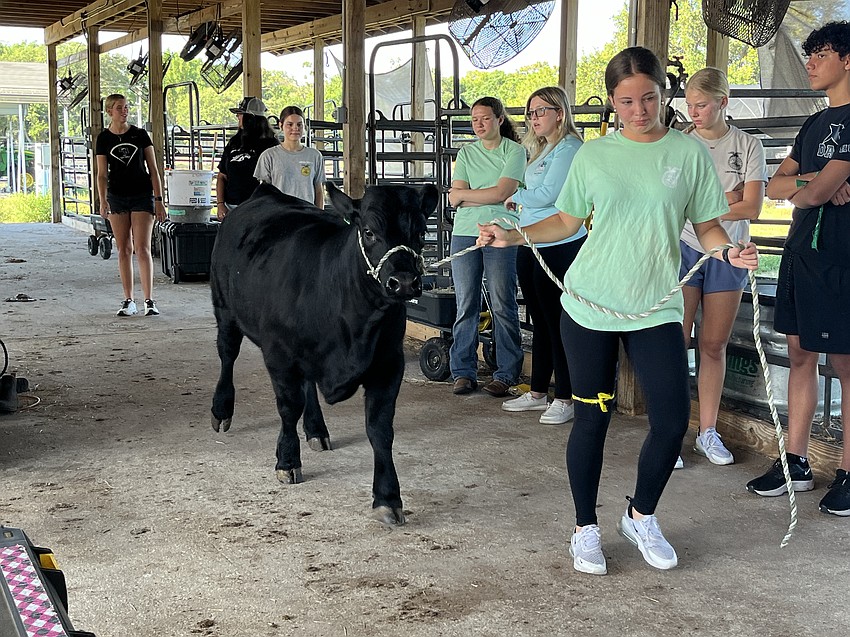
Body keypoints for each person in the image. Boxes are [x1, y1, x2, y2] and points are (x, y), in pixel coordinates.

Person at [478, 47, 758, 574]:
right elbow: (567, 220)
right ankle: (585, 528)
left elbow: (707, 225)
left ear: (661, 94)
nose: (639, 110)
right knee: (592, 418)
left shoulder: (687, 153)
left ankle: (640, 513)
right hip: (589, 305)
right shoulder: (595, 155)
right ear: (612, 103)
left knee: (673, 420)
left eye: (648, 97)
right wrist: (512, 235)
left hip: (654, 307)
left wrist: (726, 250)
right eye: (626, 101)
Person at [747, 21, 850, 517]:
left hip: (844, 255)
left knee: (848, 365)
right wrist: (814, 177)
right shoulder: (814, 124)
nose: (809, 62)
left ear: (847, 59)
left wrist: (809, 184)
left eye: (821, 53)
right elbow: (776, 186)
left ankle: (849, 472)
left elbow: (807, 194)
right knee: (800, 352)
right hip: (802, 253)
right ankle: (796, 461)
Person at [676, 68, 768, 467]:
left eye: (702, 104)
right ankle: (671, 431)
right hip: (683, 246)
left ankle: (707, 431)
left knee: (713, 344)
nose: (694, 112)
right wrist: (725, 196)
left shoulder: (748, 145)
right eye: (690, 105)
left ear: (722, 103)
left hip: (729, 250)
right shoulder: (679, 145)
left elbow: (752, 206)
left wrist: (707, 203)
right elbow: (674, 203)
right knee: (674, 341)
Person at [501, 87, 586, 424]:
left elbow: (551, 193)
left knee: (557, 322)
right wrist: (523, 198)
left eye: (540, 112)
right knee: (538, 320)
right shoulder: (541, 148)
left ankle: (565, 396)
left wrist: (519, 195)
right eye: (530, 113)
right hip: (529, 239)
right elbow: (535, 193)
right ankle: (538, 391)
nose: (533, 119)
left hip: (559, 243)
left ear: (560, 113)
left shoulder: (569, 148)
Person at [448, 96, 526, 398]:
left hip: (502, 232)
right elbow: (454, 197)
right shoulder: (466, 152)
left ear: (499, 119)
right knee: (465, 302)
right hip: (466, 232)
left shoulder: (515, 151)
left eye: (485, 118)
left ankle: (506, 372)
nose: (479, 124)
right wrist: (488, 195)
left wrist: (469, 195)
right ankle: (463, 371)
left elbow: (505, 190)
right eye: (475, 119)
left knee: (502, 301)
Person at [96, 93, 166, 317]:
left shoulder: (140, 135)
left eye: (126, 107)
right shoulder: (103, 139)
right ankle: (128, 299)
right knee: (123, 248)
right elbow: (101, 174)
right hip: (117, 195)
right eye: (119, 108)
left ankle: (149, 299)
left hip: (141, 194)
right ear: (109, 111)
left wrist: (158, 199)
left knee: (142, 248)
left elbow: (153, 169)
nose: (124, 111)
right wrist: (103, 199)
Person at [216, 97, 279, 220]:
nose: (237, 117)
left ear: (250, 118)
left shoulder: (271, 144)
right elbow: (222, 176)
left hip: (259, 208)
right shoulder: (234, 142)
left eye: (240, 114)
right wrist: (220, 204)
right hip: (232, 207)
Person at [254, 105, 325, 208]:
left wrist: (320, 216)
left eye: (299, 124)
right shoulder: (268, 156)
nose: (295, 128)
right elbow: (263, 192)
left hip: (308, 215)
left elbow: (318, 189)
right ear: (281, 125)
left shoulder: (315, 156)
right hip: (279, 214)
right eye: (290, 124)